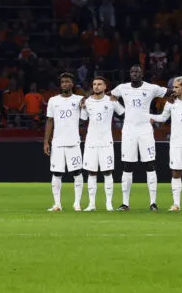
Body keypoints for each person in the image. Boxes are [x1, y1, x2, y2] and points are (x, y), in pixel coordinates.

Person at [109, 64, 166, 211]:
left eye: (137, 71)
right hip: (128, 130)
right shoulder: (122, 88)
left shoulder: (151, 88)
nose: (134, 73)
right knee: (127, 166)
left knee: (150, 164)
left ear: (142, 74)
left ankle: (153, 203)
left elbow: (171, 93)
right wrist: (121, 111)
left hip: (145, 129)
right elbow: (109, 96)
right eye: (132, 71)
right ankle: (125, 203)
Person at [151, 77, 182, 211]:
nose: (174, 89)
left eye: (177, 87)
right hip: (175, 143)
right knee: (176, 173)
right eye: (173, 87)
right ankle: (176, 204)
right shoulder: (170, 102)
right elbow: (163, 118)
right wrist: (149, 117)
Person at [42, 72, 85, 212]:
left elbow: (85, 118)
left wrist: (84, 105)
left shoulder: (79, 99)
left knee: (77, 172)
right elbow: (49, 121)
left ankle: (77, 203)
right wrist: (46, 142)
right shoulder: (53, 100)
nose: (65, 84)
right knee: (56, 173)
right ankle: (57, 204)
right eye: (62, 82)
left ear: (72, 84)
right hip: (57, 142)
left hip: (73, 142)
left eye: (67, 81)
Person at [81, 77, 122, 211]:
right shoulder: (87, 102)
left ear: (105, 87)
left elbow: (123, 113)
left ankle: (108, 203)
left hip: (106, 142)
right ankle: (91, 204)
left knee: (107, 172)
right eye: (94, 84)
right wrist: (82, 107)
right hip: (91, 142)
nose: (96, 86)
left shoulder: (111, 101)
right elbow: (83, 119)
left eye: (99, 84)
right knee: (91, 172)